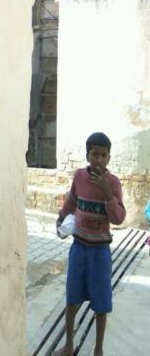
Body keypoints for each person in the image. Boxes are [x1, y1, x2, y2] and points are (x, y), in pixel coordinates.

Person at [54, 132, 126, 356]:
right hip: (79, 248)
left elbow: (119, 218)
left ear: (109, 158)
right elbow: (72, 201)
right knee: (72, 299)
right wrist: (61, 219)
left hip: (100, 252)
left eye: (103, 155)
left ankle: (99, 350)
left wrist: (107, 193)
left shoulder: (113, 183)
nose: (99, 160)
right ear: (87, 156)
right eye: (95, 154)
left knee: (101, 303)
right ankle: (68, 345)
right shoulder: (79, 177)